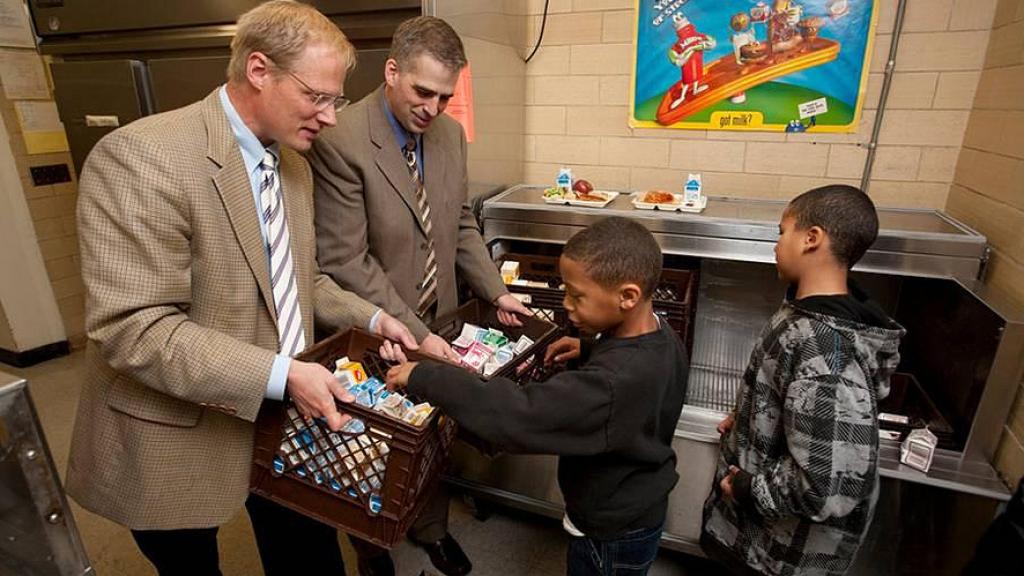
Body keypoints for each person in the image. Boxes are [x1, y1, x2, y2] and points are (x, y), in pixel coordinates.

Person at [65, 2, 417, 574]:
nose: (330, 117)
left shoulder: (293, 163)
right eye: (318, 97)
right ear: (259, 70)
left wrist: (373, 319)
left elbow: (301, 278)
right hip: (175, 428)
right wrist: (282, 374)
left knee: (310, 558)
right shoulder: (143, 157)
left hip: (282, 420)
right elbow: (134, 327)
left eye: (337, 100)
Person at [307, 15, 530, 576]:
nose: (433, 108)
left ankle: (432, 529)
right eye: (423, 92)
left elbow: (459, 223)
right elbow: (346, 260)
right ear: (391, 72)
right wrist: (417, 333)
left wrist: (495, 291)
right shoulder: (340, 140)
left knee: (435, 433)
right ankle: (372, 547)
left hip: (441, 315)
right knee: (371, 443)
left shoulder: (450, 135)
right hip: (373, 322)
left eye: (445, 96)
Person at [384, 216, 690, 576]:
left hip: (609, 531)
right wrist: (588, 348)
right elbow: (630, 370)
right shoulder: (661, 335)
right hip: (641, 502)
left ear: (627, 296)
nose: (567, 304)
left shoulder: (610, 384)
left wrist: (425, 375)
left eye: (577, 295)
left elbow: (519, 414)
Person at [701, 185, 905, 576]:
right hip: (755, 543)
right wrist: (747, 418)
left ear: (811, 238)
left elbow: (825, 486)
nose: (776, 245)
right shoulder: (804, 311)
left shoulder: (825, 348)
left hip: (776, 558)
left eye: (782, 232)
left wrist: (744, 488)